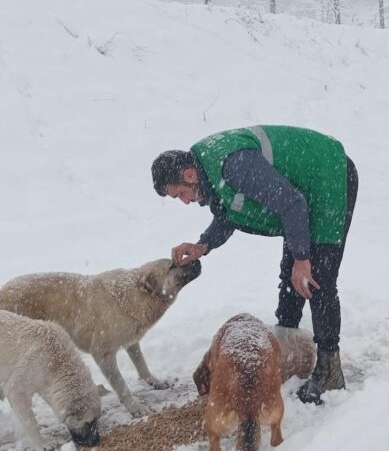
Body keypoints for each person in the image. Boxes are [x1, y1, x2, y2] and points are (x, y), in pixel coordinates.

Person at [151, 125, 358, 404]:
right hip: (301, 194)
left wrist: (302, 258)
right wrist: (203, 245)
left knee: (316, 278)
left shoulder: (234, 164)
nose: (185, 202)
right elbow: (229, 212)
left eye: (180, 195)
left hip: (328, 176)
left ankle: (330, 370)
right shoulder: (209, 170)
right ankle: (290, 355)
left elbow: (292, 204)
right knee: (291, 279)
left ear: (189, 175)